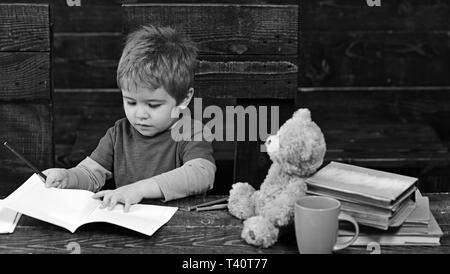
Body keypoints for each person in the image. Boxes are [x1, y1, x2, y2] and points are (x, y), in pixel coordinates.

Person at [43, 25, 216, 212]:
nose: (140, 114)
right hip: (129, 227)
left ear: (184, 99)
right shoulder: (119, 133)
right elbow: (91, 174)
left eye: (153, 105)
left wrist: (138, 189)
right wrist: (68, 177)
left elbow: (202, 174)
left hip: (181, 227)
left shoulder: (192, 132)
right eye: (131, 102)